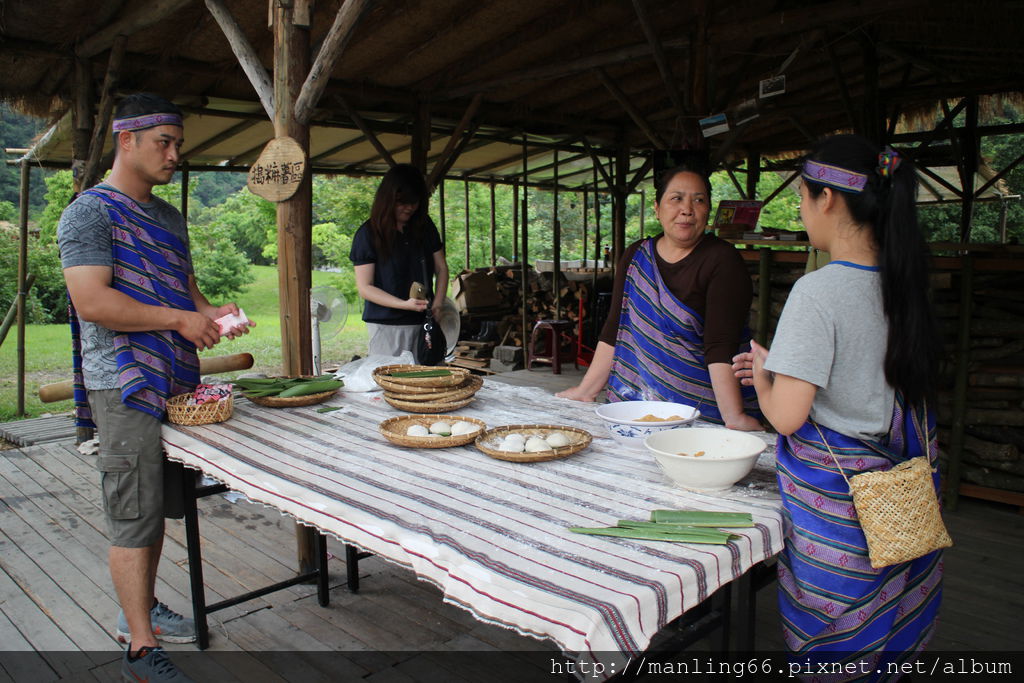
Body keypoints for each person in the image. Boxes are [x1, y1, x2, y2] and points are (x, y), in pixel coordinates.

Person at [732, 135, 943, 678]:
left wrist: (762, 372)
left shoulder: (817, 292)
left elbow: (786, 417)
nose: (802, 212)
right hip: (899, 502)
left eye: (802, 198)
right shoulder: (906, 283)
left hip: (843, 511)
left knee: (839, 651)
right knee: (889, 639)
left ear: (826, 199)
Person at [58, 93, 251, 683]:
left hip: (173, 379)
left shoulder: (167, 216)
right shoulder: (88, 214)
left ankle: (137, 611)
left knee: (156, 507)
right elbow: (93, 302)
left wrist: (209, 313)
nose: (174, 154)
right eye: (163, 142)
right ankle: (141, 650)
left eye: (177, 143)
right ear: (126, 140)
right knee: (132, 514)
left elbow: (182, 289)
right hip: (122, 385)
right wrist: (177, 321)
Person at [557, 166, 761, 430]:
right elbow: (615, 328)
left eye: (698, 200)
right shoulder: (636, 257)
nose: (687, 209)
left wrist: (733, 417)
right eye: (676, 198)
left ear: (708, 209)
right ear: (657, 208)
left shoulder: (723, 260)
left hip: (703, 413)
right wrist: (586, 390)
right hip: (640, 407)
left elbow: (721, 345)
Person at [350, 164, 449, 357]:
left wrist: (438, 303)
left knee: (428, 380)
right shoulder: (368, 234)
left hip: (424, 323)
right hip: (386, 326)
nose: (410, 208)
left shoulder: (424, 226)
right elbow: (365, 288)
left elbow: (442, 267)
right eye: (403, 202)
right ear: (388, 199)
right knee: (392, 380)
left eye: (415, 201)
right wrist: (404, 304)